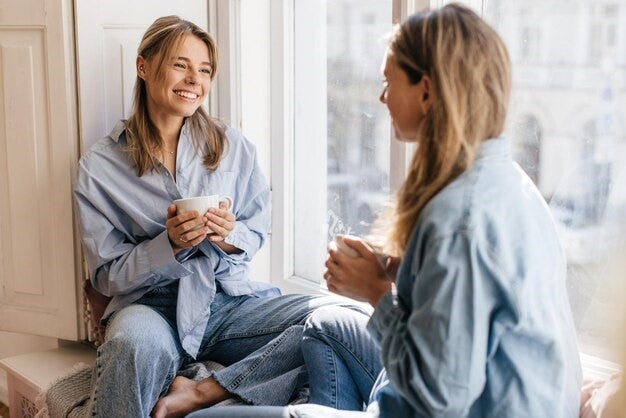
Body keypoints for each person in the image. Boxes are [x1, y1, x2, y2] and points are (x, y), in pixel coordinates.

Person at [188, 3, 582, 417]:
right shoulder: (505, 179)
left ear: (426, 91)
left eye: (388, 82)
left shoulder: (458, 217)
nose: (381, 97)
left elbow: (440, 399)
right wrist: (402, 270)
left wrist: (376, 292)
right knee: (325, 324)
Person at [74, 15, 363, 418]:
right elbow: (105, 275)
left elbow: (257, 230)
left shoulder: (233, 146)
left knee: (342, 319)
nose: (195, 79)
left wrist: (228, 236)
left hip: (228, 302)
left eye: (205, 69)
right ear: (143, 67)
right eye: (181, 64)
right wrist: (169, 245)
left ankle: (203, 391)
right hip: (152, 307)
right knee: (129, 347)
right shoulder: (100, 167)